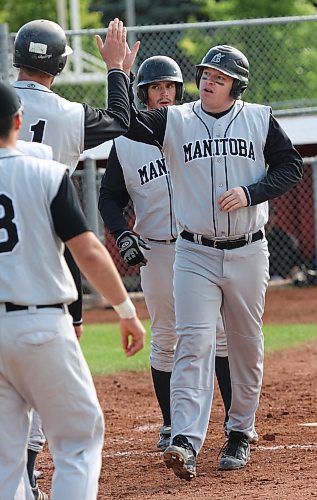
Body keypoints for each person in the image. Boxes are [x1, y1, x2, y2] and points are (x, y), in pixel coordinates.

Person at [116, 41, 303, 480]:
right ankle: (184, 439)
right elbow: (124, 121)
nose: (209, 82)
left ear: (236, 86)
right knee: (193, 342)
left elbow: (290, 167)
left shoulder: (259, 118)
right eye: (205, 74)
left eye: (219, 78)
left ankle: (239, 431)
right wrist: (119, 74)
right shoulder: (175, 120)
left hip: (248, 250)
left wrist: (252, 193)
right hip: (193, 252)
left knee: (244, 346)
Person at [0, 81, 145, 499]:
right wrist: (125, 310)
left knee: (5, 461)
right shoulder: (47, 173)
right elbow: (89, 253)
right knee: (78, 440)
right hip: (41, 323)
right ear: (18, 121)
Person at [98, 55, 232, 452]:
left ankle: (234, 422)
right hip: (156, 251)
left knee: (222, 336)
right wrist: (122, 233)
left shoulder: (197, 127)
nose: (165, 95)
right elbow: (109, 197)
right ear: (143, 94)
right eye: (156, 88)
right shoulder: (126, 144)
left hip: (203, 246)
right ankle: (172, 423)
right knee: (166, 339)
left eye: (171, 87)